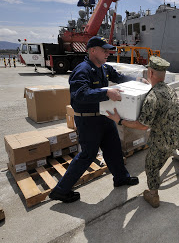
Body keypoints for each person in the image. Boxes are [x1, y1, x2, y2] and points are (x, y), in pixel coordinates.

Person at [49, 36, 143, 203]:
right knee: (87, 155)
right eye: (104, 50)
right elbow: (79, 95)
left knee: (114, 149)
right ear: (93, 50)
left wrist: (136, 80)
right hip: (88, 121)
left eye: (108, 50)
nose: (108, 53)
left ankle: (121, 178)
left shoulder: (104, 68)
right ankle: (61, 190)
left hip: (105, 117)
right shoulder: (82, 70)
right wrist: (106, 93)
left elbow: (119, 77)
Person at [107, 56, 179, 208]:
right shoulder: (169, 89)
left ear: (150, 73)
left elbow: (142, 125)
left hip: (164, 140)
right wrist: (149, 86)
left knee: (151, 165)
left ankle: (153, 195)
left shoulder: (152, 97)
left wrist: (119, 120)